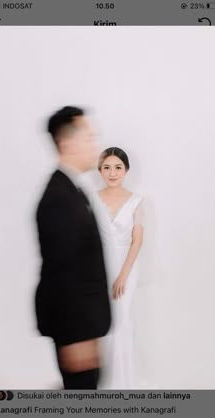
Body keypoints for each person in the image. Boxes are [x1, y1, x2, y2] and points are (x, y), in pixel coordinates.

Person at [34, 106, 111, 389]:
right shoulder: (59, 199)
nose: (96, 145)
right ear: (67, 143)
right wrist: (75, 338)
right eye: (89, 138)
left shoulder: (71, 190)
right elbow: (61, 274)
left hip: (84, 328)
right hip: (75, 332)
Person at [91, 147, 144, 389]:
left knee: (122, 321)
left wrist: (123, 275)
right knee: (99, 322)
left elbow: (137, 240)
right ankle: (100, 384)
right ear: (100, 170)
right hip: (98, 267)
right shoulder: (92, 197)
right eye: (106, 167)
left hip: (126, 267)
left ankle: (122, 384)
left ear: (126, 170)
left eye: (118, 167)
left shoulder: (136, 201)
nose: (112, 173)